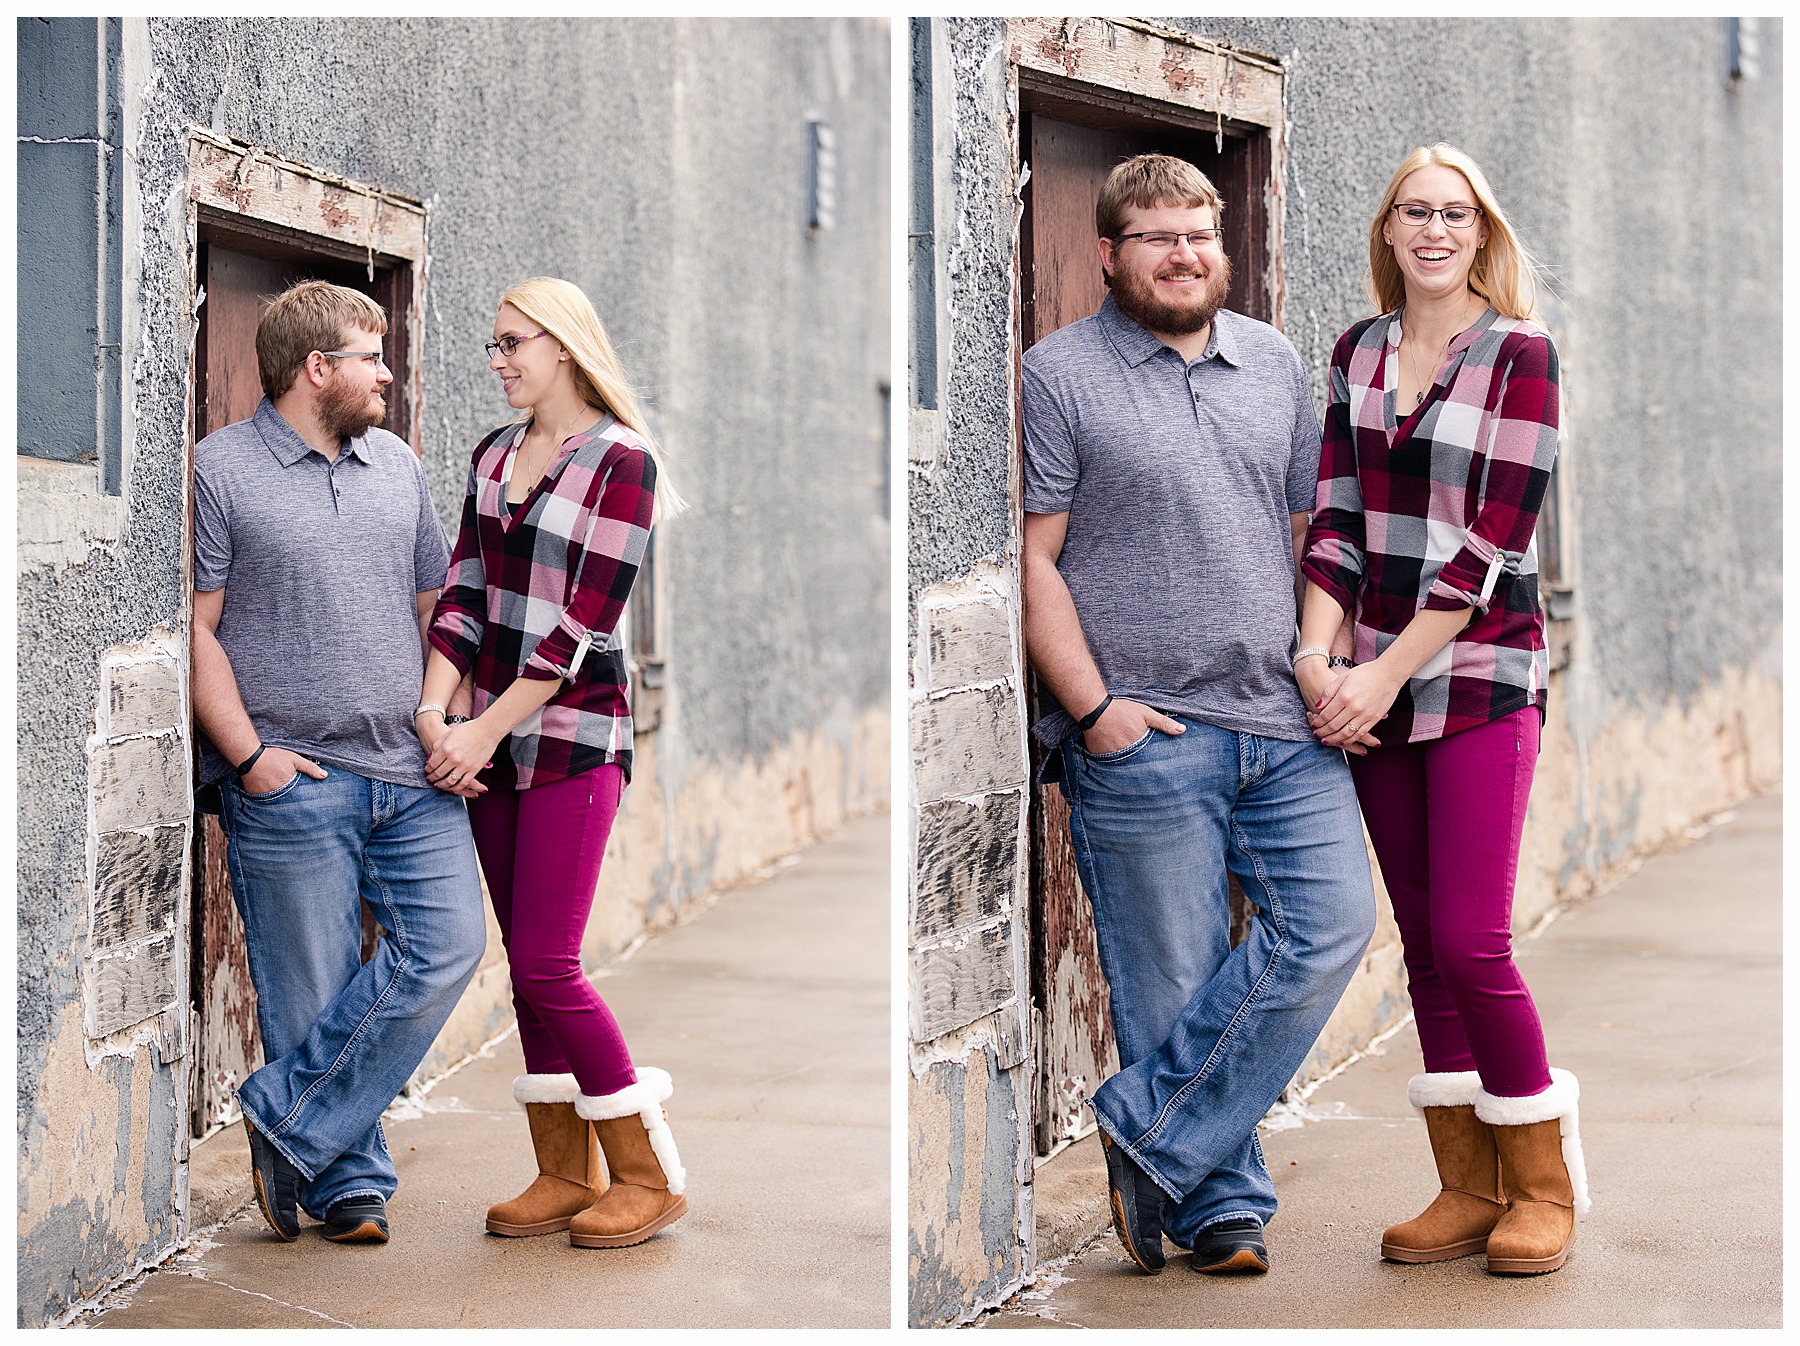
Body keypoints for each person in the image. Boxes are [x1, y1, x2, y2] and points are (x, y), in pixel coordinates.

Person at [1021, 155, 1376, 1276]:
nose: (1183, 255)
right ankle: (1222, 1207)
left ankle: (1145, 1134)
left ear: (1223, 247)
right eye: (1157, 236)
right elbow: (1035, 559)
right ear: (1110, 253)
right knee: (1169, 979)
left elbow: (1316, 531)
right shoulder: (1059, 374)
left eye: (1199, 235)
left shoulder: (1271, 362)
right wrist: (1096, 709)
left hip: (1280, 716)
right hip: (1146, 729)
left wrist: (1318, 659)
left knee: (1329, 928)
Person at [1298, 143, 1587, 1276]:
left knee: (1472, 936)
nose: (1432, 229)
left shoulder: (1522, 355)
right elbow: (1334, 518)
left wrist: (1377, 672)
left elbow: (1489, 547)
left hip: (1475, 677)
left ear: (1481, 232)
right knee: (1421, 946)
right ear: (1386, 228)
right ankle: (1466, 1183)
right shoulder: (1357, 351)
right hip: (1364, 686)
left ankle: (1541, 1183)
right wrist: (1317, 660)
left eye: (1454, 214)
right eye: (1413, 210)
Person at [192, 280, 487, 1245]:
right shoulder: (220, 471)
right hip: (294, 778)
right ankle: (347, 1182)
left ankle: (286, 1125)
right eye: (372, 356)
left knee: (447, 947)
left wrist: (445, 721)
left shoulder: (396, 463)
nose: (388, 373)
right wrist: (249, 758)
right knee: (311, 989)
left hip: (409, 771)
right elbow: (197, 630)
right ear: (317, 369)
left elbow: (431, 608)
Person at [418, 277, 689, 1249]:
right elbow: (464, 591)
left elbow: (582, 627)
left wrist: (479, 730)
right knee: (524, 969)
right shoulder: (494, 455)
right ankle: (563, 1168)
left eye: (512, 343)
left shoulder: (625, 463)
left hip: (571, 735)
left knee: (547, 959)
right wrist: (433, 710)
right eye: (493, 344)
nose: (497, 360)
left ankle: (646, 1171)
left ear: (564, 345)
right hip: (480, 738)